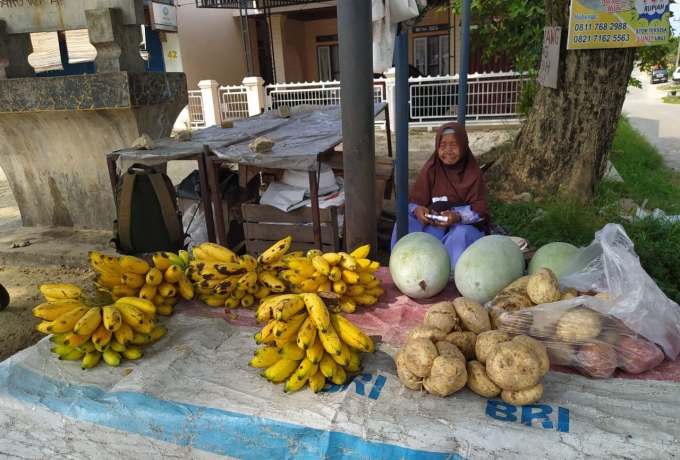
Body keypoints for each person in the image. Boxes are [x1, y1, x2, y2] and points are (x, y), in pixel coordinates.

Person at [391, 122, 491, 271]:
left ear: (463, 146)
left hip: (462, 225)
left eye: (454, 145)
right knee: (406, 223)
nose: (448, 151)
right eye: (443, 146)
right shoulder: (431, 169)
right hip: (435, 221)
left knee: (460, 236)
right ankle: (403, 268)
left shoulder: (473, 174)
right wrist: (418, 210)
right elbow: (414, 201)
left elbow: (479, 211)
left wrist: (456, 217)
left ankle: (449, 276)